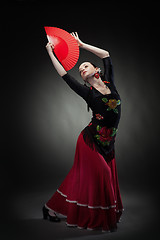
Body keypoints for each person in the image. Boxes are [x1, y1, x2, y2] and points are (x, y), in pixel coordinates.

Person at [43, 32, 123, 232]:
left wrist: (80, 44)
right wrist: (50, 53)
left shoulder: (110, 83)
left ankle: (49, 208)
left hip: (109, 144)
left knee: (79, 177)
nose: (81, 69)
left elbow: (106, 54)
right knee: (102, 175)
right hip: (90, 141)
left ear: (97, 70)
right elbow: (64, 75)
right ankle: (99, 218)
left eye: (85, 65)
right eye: (79, 69)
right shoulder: (87, 93)